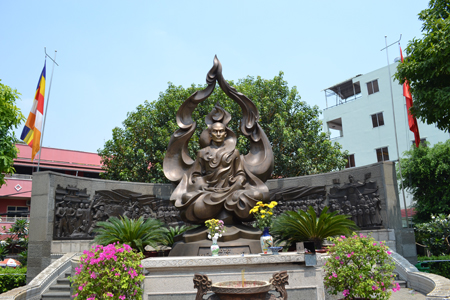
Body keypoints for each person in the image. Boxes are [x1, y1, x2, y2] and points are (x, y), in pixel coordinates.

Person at [171, 122, 266, 224]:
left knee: (257, 195)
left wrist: (239, 180)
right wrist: (201, 182)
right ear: (210, 135)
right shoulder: (202, 153)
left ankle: (218, 209)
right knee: (187, 197)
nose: (218, 134)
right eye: (215, 131)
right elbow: (195, 175)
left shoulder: (234, 152)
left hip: (231, 190)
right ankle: (223, 209)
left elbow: (240, 173)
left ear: (225, 134)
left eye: (221, 131)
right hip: (210, 191)